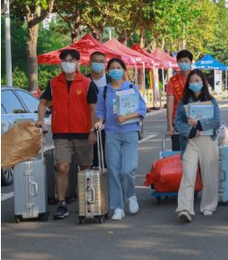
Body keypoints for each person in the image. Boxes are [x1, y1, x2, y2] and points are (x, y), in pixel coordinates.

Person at [35, 49, 98, 220]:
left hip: (83, 133)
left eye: (71, 60)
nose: (67, 63)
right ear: (60, 62)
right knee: (62, 168)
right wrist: (41, 119)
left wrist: (92, 130)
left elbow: (93, 108)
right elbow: (42, 104)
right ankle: (62, 203)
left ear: (78, 62)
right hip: (61, 133)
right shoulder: (53, 83)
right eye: (64, 60)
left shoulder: (87, 83)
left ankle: (85, 202)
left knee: (84, 168)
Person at [94, 58, 147, 220]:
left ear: (124, 70)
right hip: (111, 134)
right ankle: (117, 207)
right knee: (114, 171)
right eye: (113, 68)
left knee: (127, 169)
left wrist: (127, 118)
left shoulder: (131, 88)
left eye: (119, 67)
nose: (116, 70)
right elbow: (100, 111)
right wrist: (99, 122)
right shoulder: (104, 91)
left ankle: (130, 195)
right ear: (108, 71)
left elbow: (142, 109)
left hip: (130, 131)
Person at [174, 69, 221, 222]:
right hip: (190, 142)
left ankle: (209, 205)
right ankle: (184, 208)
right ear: (188, 84)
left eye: (198, 80)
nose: (195, 83)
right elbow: (177, 123)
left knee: (210, 175)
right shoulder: (183, 102)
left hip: (208, 140)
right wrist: (190, 130)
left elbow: (216, 121)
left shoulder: (212, 101)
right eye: (192, 81)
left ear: (204, 83)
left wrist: (198, 124)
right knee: (188, 174)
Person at [166, 50, 193, 152]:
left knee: (195, 153)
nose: (183, 63)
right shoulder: (173, 81)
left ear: (191, 62)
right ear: (177, 63)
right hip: (178, 122)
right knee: (178, 154)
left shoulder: (197, 78)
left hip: (195, 121)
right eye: (181, 61)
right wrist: (169, 125)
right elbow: (170, 104)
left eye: (186, 61)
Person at [89, 51, 111, 169]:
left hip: (109, 127)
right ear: (89, 63)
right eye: (95, 61)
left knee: (108, 161)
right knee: (92, 162)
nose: (98, 64)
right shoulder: (84, 81)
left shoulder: (112, 81)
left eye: (101, 61)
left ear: (105, 64)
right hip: (88, 127)